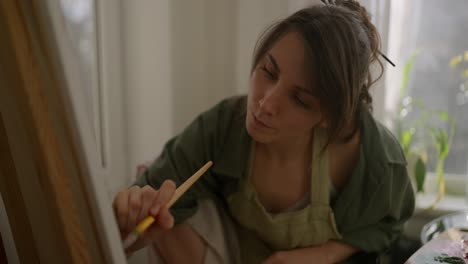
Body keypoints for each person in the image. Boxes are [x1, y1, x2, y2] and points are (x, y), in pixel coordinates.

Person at [113, 1, 415, 263]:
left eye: (300, 99)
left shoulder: (376, 162)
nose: (265, 103)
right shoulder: (224, 127)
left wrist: (325, 254)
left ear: (328, 116)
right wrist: (129, 219)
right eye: (268, 71)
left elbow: (388, 226)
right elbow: (144, 218)